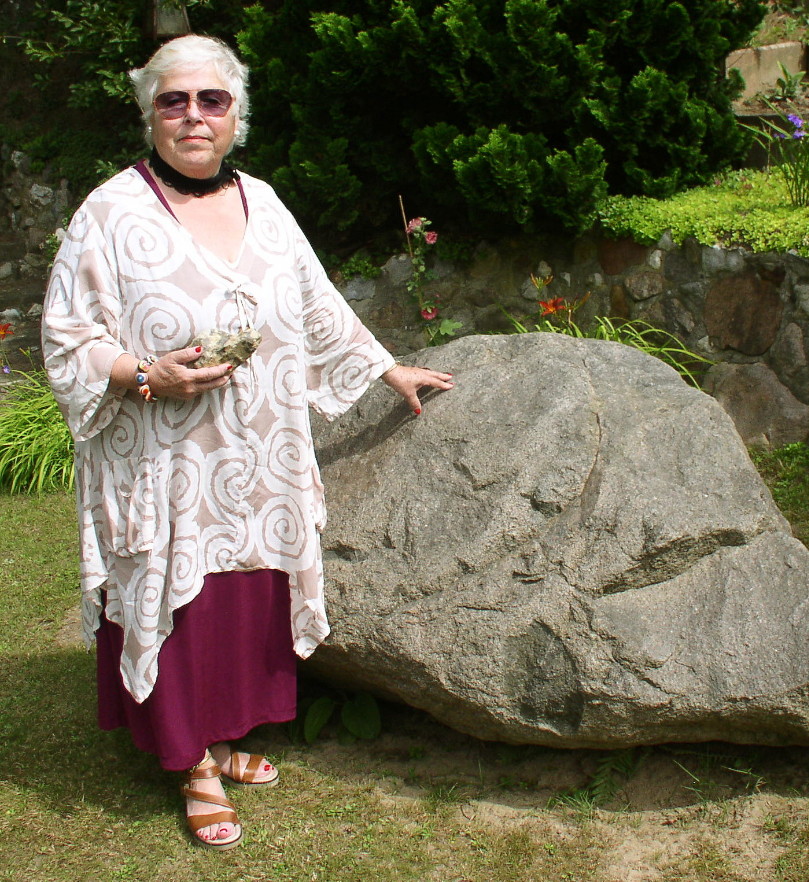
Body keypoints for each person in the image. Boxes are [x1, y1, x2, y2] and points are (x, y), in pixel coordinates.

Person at [41, 34, 453, 851]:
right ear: (150, 114)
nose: (193, 117)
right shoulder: (109, 213)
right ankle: (190, 761)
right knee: (179, 601)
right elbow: (64, 336)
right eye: (174, 101)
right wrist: (142, 373)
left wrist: (381, 367)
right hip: (164, 461)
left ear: (236, 116)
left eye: (212, 101)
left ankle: (222, 738)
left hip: (255, 456)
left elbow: (316, 302)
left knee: (238, 601)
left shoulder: (263, 202)